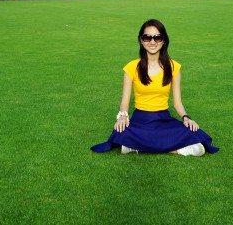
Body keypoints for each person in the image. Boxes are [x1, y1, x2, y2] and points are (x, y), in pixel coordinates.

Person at [91, 19, 218, 156]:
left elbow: (177, 103)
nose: (152, 42)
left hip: (163, 118)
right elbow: (125, 102)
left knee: (195, 136)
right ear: (141, 40)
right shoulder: (131, 67)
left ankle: (136, 146)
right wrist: (122, 117)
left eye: (157, 37)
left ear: (163, 41)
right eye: (147, 37)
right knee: (121, 131)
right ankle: (159, 146)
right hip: (140, 119)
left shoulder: (174, 67)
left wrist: (186, 118)